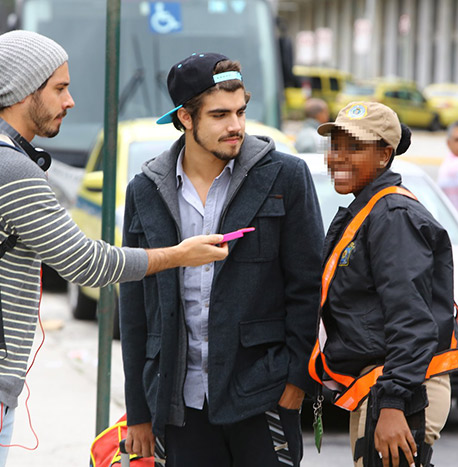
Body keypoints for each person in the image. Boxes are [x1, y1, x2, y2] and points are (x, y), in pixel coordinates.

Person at [0, 31, 228, 467]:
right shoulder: (6, 166)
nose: (70, 100)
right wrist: (179, 254)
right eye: (59, 88)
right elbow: (87, 262)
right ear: (23, 92)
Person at [119, 52, 324, 467]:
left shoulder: (285, 177)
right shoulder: (145, 190)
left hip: (263, 394)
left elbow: (309, 286)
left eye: (240, 111)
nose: (235, 126)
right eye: (219, 115)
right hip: (177, 402)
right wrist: (139, 411)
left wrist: (297, 382)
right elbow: (135, 306)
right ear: (185, 118)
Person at [314, 102, 458, 467]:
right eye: (336, 146)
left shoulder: (392, 215)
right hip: (378, 386)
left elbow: (411, 318)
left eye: (355, 148)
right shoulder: (368, 209)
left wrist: (395, 403)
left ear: (384, 155)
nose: (339, 158)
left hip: (404, 387)